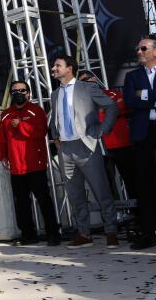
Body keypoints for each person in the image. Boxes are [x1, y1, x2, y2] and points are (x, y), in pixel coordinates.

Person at [48, 55, 120, 249]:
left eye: (57, 65)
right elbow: (56, 117)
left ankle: (111, 231)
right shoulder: (55, 94)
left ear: (69, 68)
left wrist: (102, 130)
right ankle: (84, 234)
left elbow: (111, 106)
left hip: (87, 145)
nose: (53, 68)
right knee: (75, 194)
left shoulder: (87, 88)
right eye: (54, 65)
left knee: (101, 190)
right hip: (65, 149)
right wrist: (55, 135)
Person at [0, 80, 60, 246]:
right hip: (16, 167)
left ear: (29, 94)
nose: (19, 93)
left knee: (43, 199)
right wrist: (3, 156)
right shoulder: (6, 114)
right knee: (21, 202)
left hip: (35, 164)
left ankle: (53, 233)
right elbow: (1, 139)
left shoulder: (36, 111)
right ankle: (28, 234)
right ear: (11, 94)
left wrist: (21, 125)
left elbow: (41, 132)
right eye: (15, 90)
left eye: (22, 90)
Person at [78, 70, 137, 207]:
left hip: (122, 144)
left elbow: (123, 107)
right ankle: (115, 218)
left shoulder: (113, 93)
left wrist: (104, 111)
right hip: (99, 146)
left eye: (87, 79)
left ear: (94, 78)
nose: (86, 83)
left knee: (132, 179)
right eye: (82, 82)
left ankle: (138, 215)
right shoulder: (83, 102)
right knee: (107, 185)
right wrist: (106, 111)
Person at [123, 35, 156, 249]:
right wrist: (152, 98)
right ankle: (147, 232)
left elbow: (140, 99)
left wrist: (144, 96)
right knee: (144, 184)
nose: (139, 52)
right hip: (143, 134)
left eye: (143, 48)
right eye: (138, 49)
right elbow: (130, 101)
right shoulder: (132, 76)